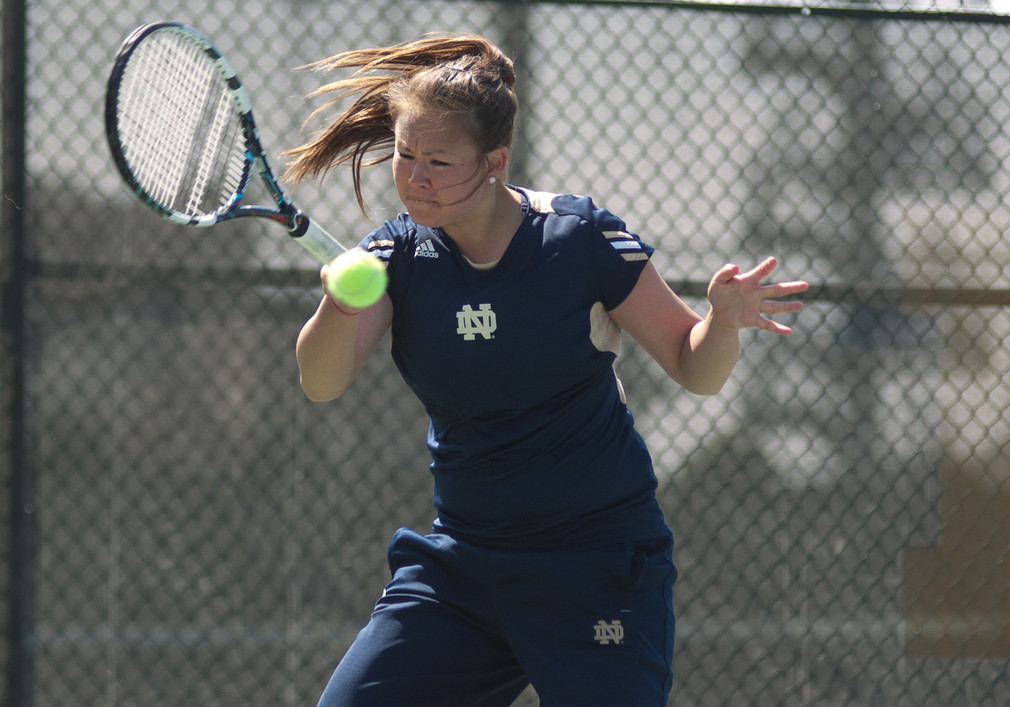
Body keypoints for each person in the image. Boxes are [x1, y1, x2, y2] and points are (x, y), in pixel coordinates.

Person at [286, 33, 807, 707]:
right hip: (463, 571)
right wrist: (336, 304)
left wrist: (724, 324)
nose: (415, 177)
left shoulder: (577, 240)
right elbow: (320, 379)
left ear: (495, 161)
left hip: (593, 566)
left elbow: (694, 365)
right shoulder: (395, 257)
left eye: (440, 161)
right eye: (406, 155)